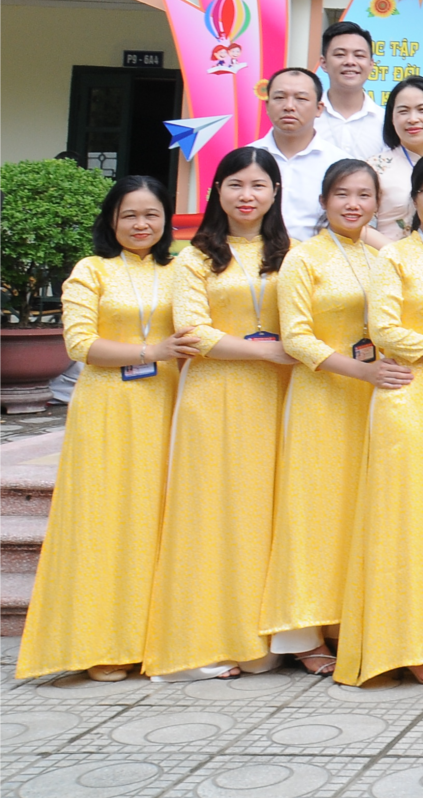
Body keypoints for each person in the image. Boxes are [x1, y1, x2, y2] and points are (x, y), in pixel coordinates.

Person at [14, 177, 196, 681]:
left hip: (167, 405)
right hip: (108, 408)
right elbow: (79, 343)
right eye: (129, 215)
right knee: (106, 521)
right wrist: (152, 350)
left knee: (159, 518)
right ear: (111, 219)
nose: (141, 225)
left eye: (151, 215)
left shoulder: (180, 270)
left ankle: (155, 640)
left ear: (166, 221)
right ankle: (100, 643)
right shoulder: (91, 271)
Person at [140, 147, 294, 680]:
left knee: (266, 513)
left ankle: (266, 636)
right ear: (217, 191)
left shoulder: (292, 253)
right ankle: (203, 640)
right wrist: (269, 351)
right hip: (217, 396)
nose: (246, 196)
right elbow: (192, 332)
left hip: (281, 397)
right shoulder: (196, 257)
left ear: (275, 192)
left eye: (258, 185)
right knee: (213, 514)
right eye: (235, 185)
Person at [334, 153, 423, 687]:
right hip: (411, 395)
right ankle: (410, 647)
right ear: (413, 199)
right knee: (409, 524)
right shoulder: (394, 256)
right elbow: (385, 330)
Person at [262, 160, 412, 675]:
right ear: (324, 201)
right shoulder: (303, 258)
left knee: (360, 510)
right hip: (323, 397)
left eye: (364, 195)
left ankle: (349, 620)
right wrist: (361, 372)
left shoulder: (382, 257)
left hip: (375, 397)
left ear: (377, 204)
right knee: (315, 511)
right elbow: (295, 338)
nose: (353, 204)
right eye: (342, 194)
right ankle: (302, 632)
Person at [253, 66, 347, 240]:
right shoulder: (248, 159)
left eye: (301, 98)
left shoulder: (339, 164)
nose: (289, 106)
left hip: (316, 255)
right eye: (279, 98)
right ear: (267, 106)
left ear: (319, 108)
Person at [367, 76, 423, 236]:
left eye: (422, 110)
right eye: (403, 111)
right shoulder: (374, 168)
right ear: (391, 118)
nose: (412, 119)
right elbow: (361, 227)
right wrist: (396, 251)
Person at [316, 21, 384, 160]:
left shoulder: (385, 122)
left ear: (371, 64)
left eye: (359, 56)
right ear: (324, 63)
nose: (350, 62)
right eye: (340, 54)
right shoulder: (308, 118)